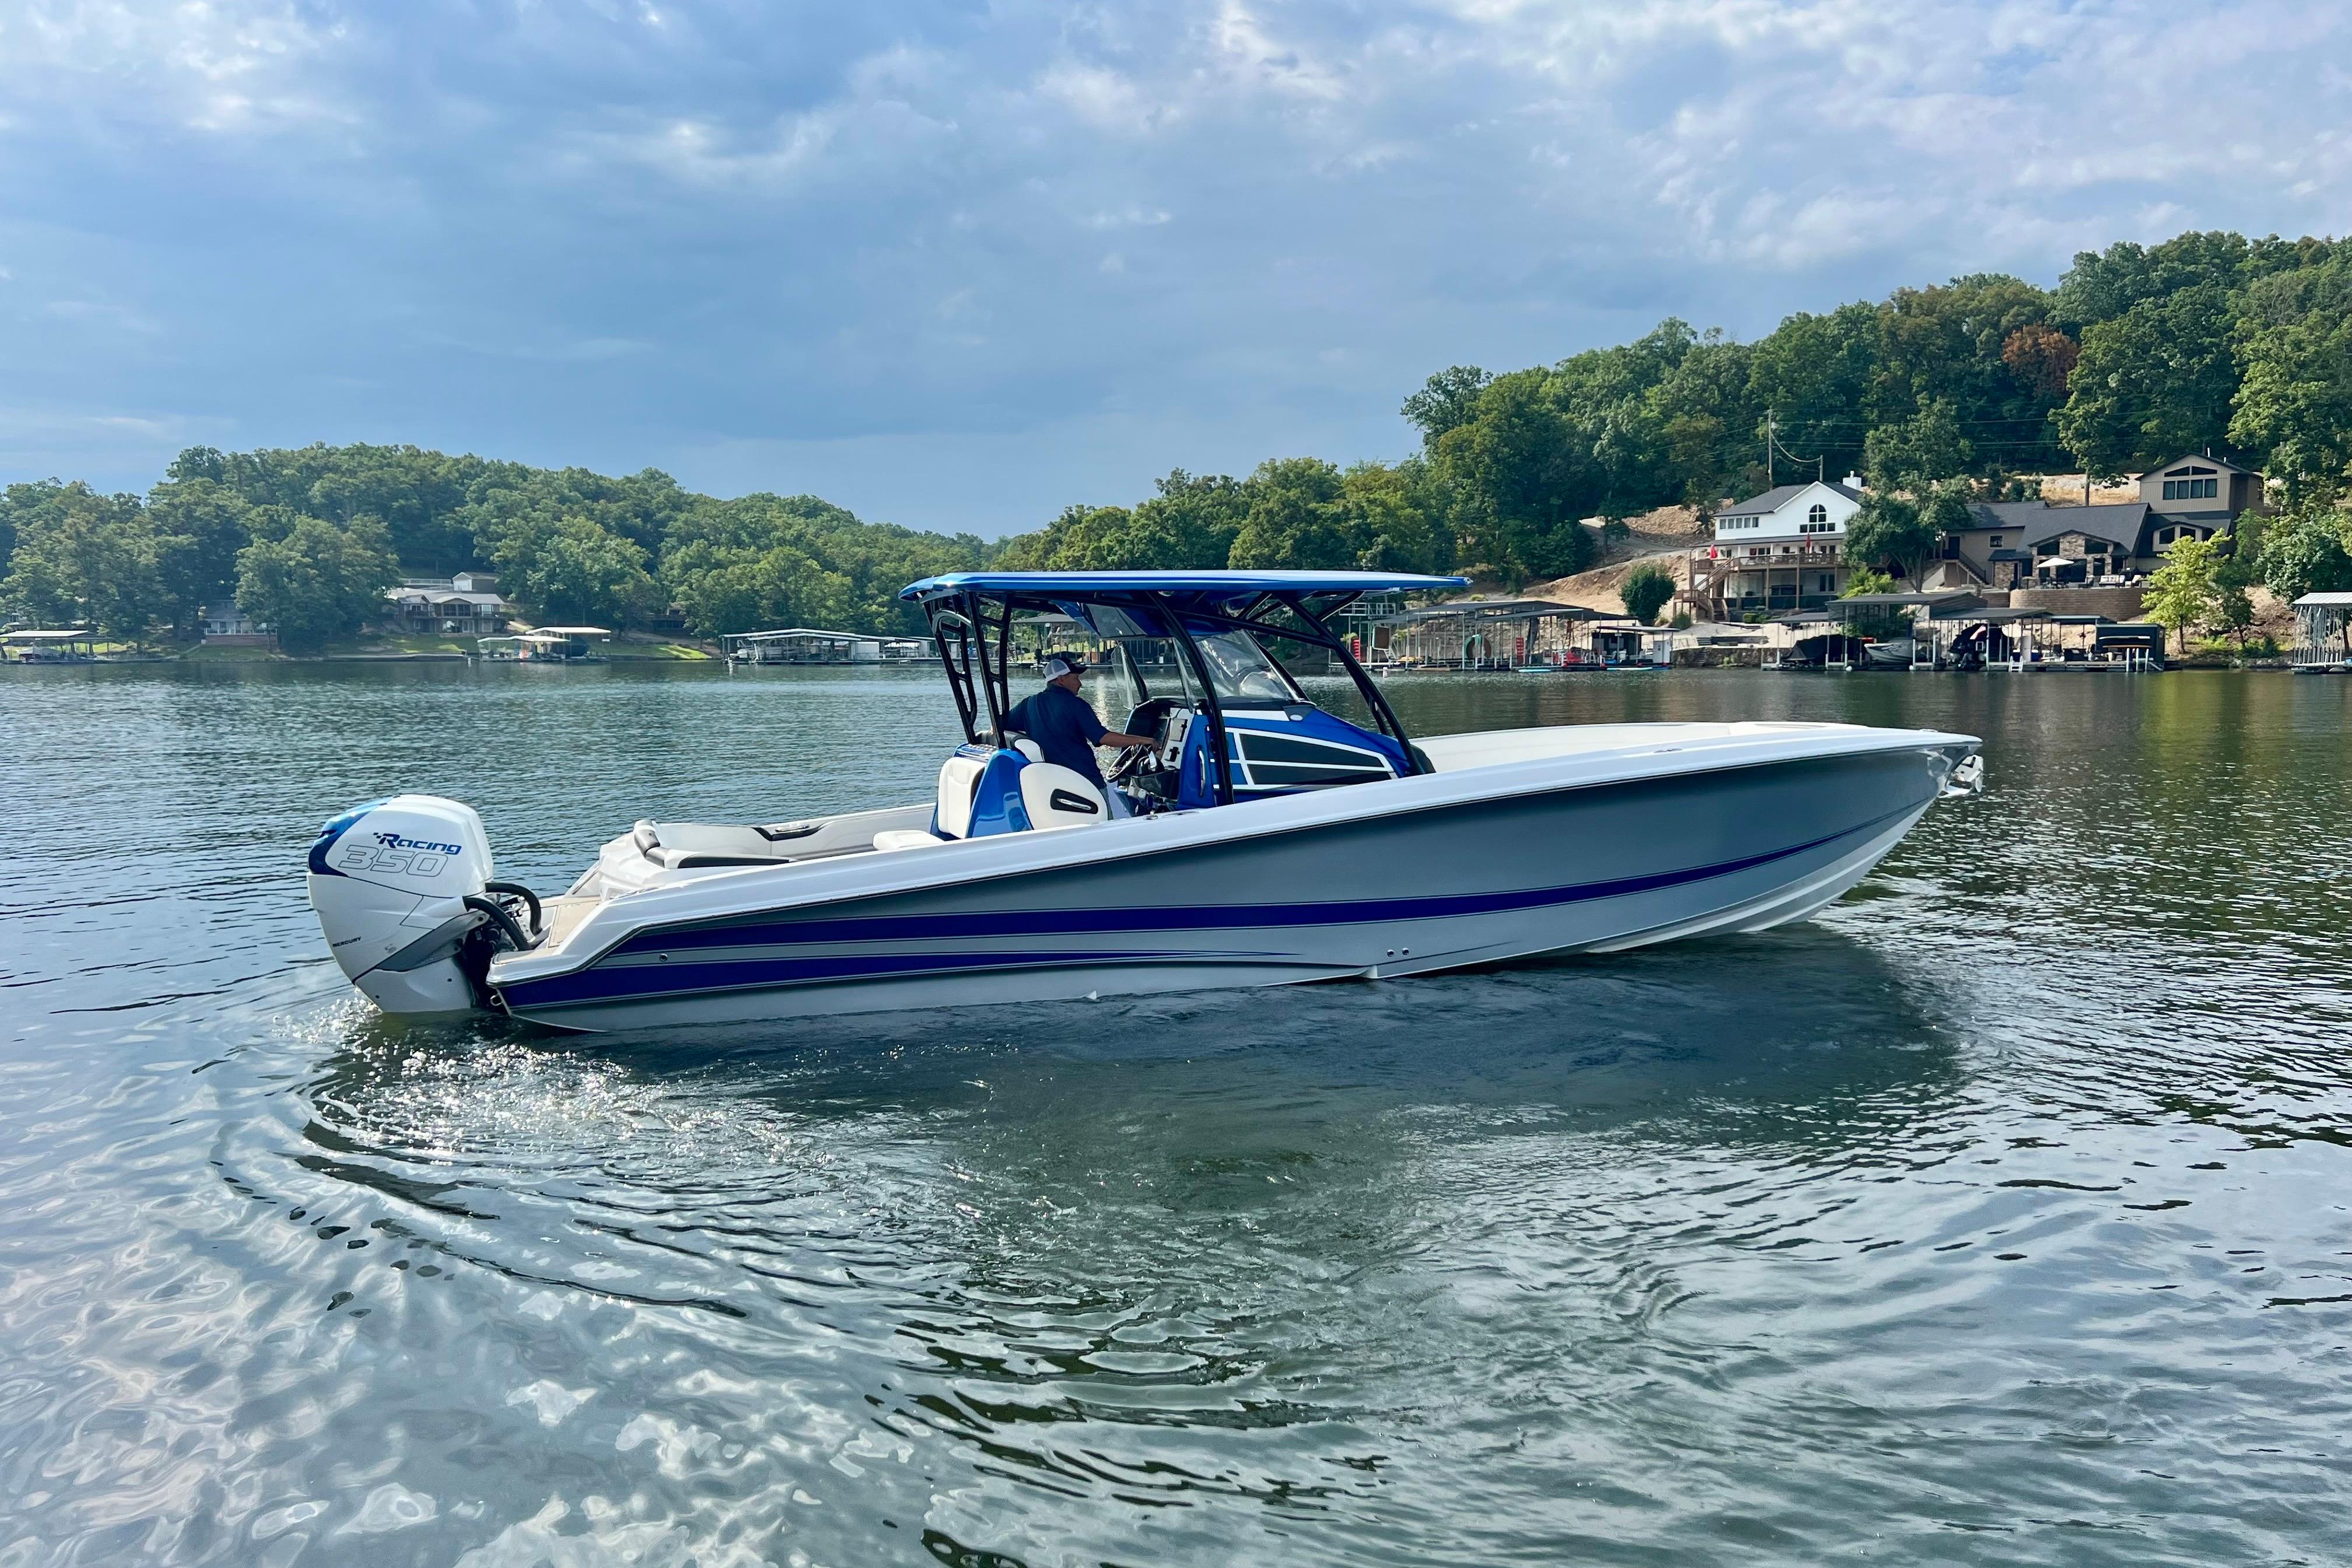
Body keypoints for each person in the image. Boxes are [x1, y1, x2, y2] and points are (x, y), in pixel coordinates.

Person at [1001, 653, 1154, 817]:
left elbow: (1000, 725)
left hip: (1052, 783)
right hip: (1086, 780)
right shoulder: (1076, 705)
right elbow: (1104, 738)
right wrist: (1143, 740)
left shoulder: (1028, 705)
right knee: (1105, 825)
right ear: (1061, 679)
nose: (1080, 684)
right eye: (1076, 678)